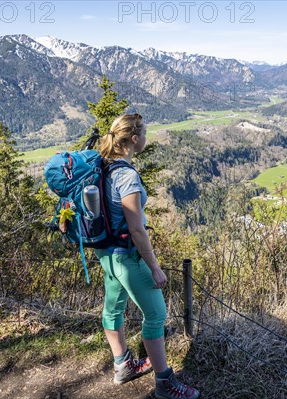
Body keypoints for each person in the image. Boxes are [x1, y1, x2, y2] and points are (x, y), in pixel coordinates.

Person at [96, 113, 200, 399]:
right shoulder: (126, 175)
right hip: (126, 255)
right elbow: (137, 229)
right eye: (145, 134)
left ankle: (123, 365)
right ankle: (165, 383)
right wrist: (154, 267)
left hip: (106, 253)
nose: (147, 138)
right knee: (156, 314)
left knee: (113, 308)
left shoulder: (104, 167)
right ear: (133, 139)